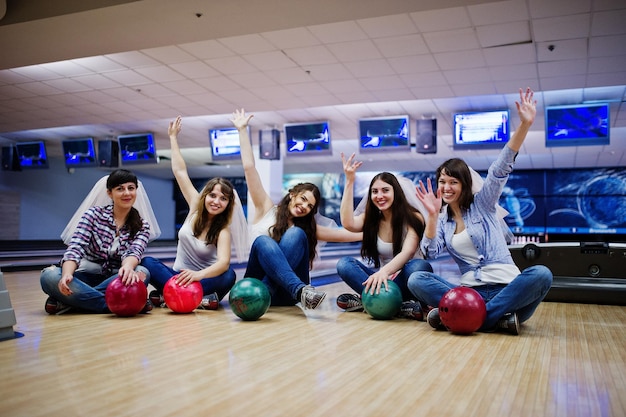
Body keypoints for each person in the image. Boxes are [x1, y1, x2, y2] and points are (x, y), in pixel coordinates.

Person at [407, 88, 553, 335]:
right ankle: (495, 320)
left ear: (464, 184)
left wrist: (525, 125)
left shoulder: (482, 204)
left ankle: (471, 318)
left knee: (542, 274)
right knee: (416, 279)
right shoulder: (442, 219)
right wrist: (432, 217)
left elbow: (500, 170)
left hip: (508, 291)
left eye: (453, 182)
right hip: (469, 293)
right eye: (442, 182)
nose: (446, 187)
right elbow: (430, 252)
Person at [230, 108, 362, 310]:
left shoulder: (307, 228)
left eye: (310, 206)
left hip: (280, 295)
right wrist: (242, 130)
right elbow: (249, 169)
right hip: (256, 287)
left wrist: (388, 229)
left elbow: (349, 233)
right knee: (263, 241)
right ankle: (302, 291)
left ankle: (291, 292)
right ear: (292, 194)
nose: (304, 207)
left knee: (297, 234)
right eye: (302, 199)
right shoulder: (265, 208)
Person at [142, 116, 246, 310]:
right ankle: (197, 299)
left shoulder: (223, 230)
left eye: (223, 198)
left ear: (228, 204)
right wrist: (173, 138)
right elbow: (180, 172)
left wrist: (198, 275)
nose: (216, 201)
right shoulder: (194, 207)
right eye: (213, 195)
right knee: (147, 262)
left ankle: (172, 296)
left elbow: (223, 264)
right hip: (177, 276)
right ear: (205, 196)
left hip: (203, 279)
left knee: (229, 275)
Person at [40, 169, 159, 314]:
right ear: (110, 193)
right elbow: (75, 248)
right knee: (49, 275)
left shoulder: (142, 225)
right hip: (84, 277)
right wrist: (67, 274)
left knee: (142, 272)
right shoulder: (93, 215)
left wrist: (128, 267)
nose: (127, 193)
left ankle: (71, 302)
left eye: (131, 188)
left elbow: (135, 252)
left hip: (116, 279)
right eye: (120, 189)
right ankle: (121, 303)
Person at [335, 154, 433, 319]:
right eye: (375, 192)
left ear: (396, 192)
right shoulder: (371, 218)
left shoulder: (413, 217)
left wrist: (384, 272)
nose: (379, 196)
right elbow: (348, 223)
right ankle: (401, 306)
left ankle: (369, 300)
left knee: (418, 267)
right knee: (344, 264)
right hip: (381, 282)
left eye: (385, 190)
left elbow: (407, 252)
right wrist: (350, 181)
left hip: (403, 279)